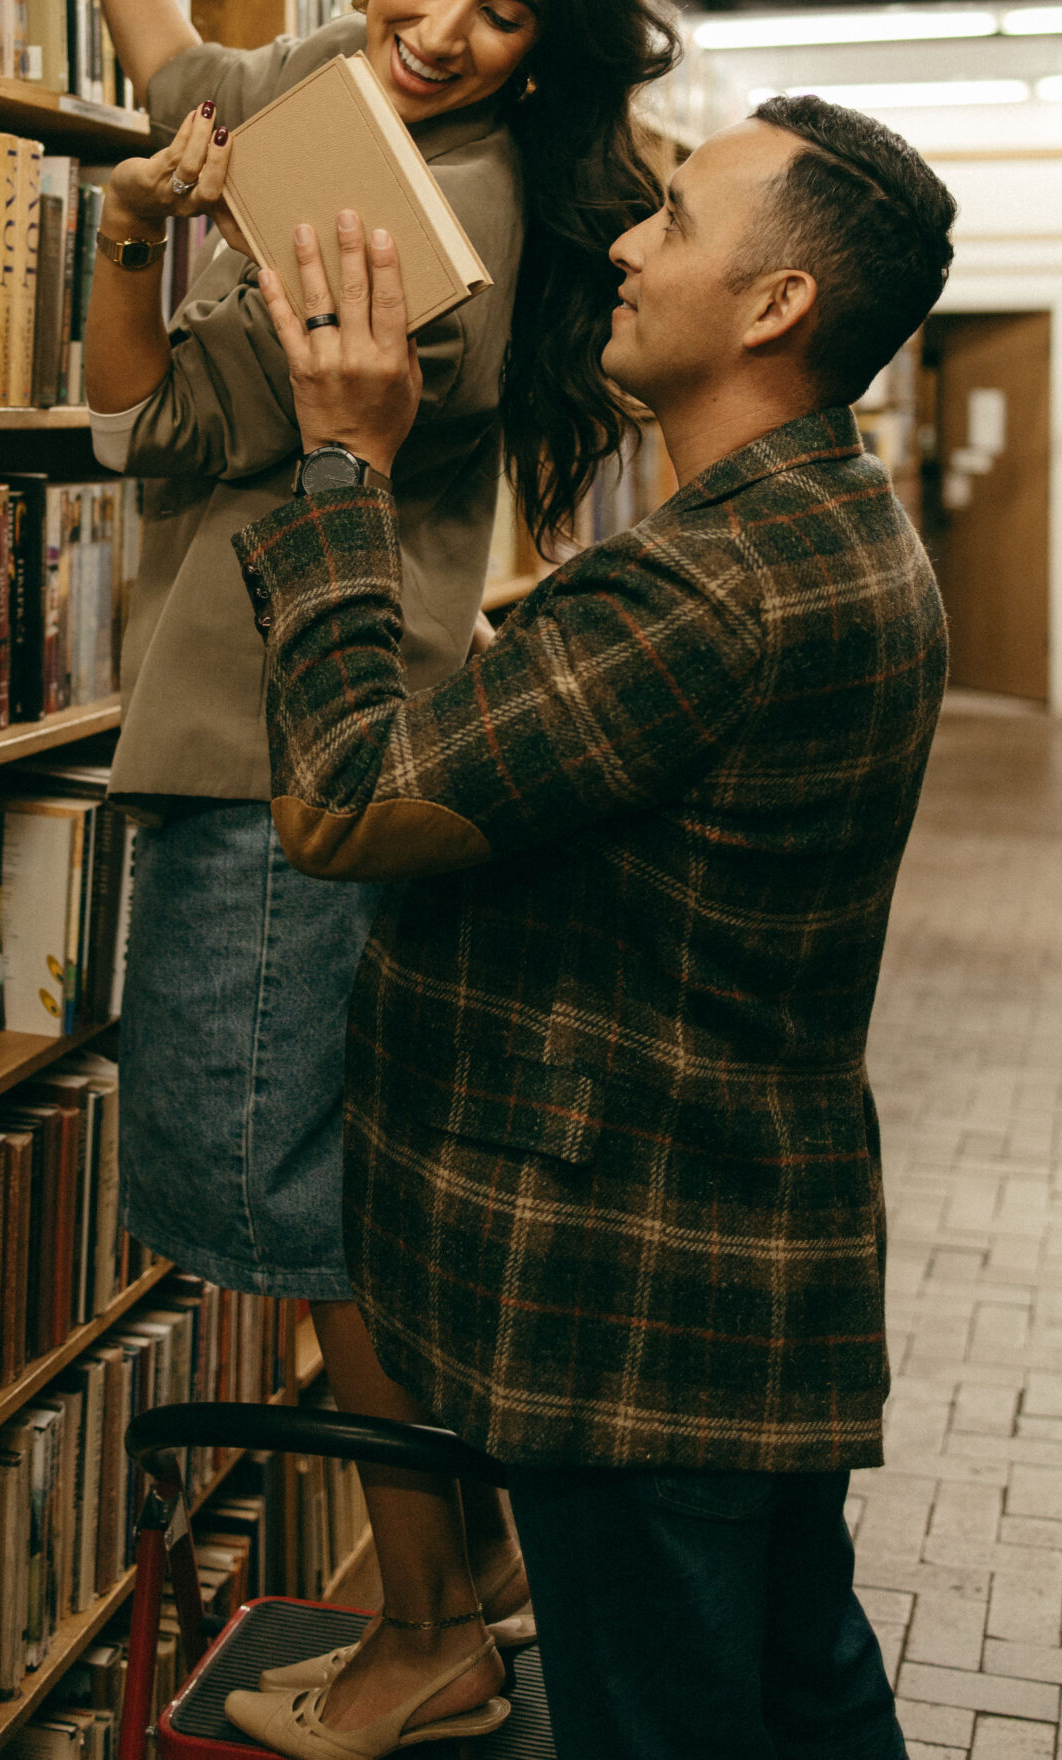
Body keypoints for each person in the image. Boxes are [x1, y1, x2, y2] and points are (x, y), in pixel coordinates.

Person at [8, 0, 677, 1717]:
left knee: (305, 1206)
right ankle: (453, 1584)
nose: (444, 27)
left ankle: (429, 1625)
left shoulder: (423, 241)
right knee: (340, 1194)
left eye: (501, 11)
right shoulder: (315, 99)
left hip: (268, 750)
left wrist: (144, 248)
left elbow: (144, 412)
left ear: (548, 54)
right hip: (280, 744)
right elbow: (172, 64)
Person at [222, 94, 957, 1760]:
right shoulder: (834, 526)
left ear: (776, 307)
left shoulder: (714, 584)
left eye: (676, 222)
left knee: (666, 1721)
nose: (626, 244)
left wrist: (345, 460)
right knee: (799, 1699)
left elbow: (343, 798)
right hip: (742, 1268)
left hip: (637, 1304)